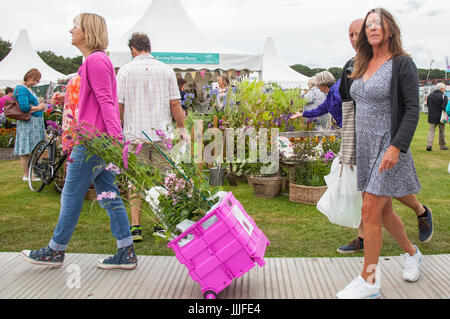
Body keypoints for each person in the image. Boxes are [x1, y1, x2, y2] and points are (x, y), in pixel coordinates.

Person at [21, 13, 137, 270]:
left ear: (87, 32)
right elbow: (99, 101)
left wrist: (116, 140)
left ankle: (55, 250)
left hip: (93, 141)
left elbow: (107, 102)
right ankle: (126, 250)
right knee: (109, 194)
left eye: (76, 26)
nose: (71, 30)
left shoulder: (95, 60)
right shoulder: (96, 61)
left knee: (72, 194)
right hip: (98, 139)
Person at [336, 8, 423, 299]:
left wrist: (397, 146)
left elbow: (412, 109)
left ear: (390, 29)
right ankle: (412, 253)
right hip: (365, 146)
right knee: (383, 211)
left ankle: (369, 281)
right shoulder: (361, 62)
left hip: (389, 147)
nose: (372, 28)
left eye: (378, 23)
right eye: (369, 24)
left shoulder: (402, 63)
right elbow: (350, 102)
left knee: (369, 211)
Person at [117, 32, 189, 241]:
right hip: (161, 134)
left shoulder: (125, 71)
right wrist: (181, 127)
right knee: (163, 180)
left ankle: (136, 227)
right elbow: (175, 103)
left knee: (135, 181)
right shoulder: (166, 70)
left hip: (133, 134)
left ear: (133, 49)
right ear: (149, 47)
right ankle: (160, 224)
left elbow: (119, 105)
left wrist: (119, 127)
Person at [13, 69, 47, 181]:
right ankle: (27, 175)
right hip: (28, 123)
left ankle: (34, 172)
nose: (35, 83)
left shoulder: (28, 88)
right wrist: (38, 108)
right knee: (26, 149)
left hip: (35, 122)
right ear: (28, 76)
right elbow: (24, 107)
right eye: (34, 80)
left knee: (35, 148)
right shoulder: (21, 88)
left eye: (37, 81)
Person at [426, 82, 448, 151]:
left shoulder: (430, 95)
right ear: (441, 89)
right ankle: (442, 146)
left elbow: (428, 105)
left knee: (431, 131)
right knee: (442, 132)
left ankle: (429, 145)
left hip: (432, 116)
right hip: (441, 116)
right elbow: (444, 107)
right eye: (444, 89)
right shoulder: (444, 96)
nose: (444, 90)